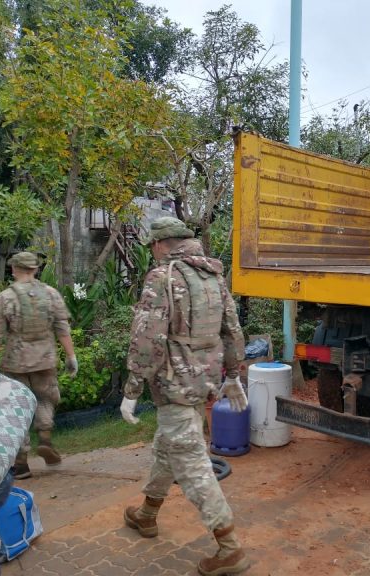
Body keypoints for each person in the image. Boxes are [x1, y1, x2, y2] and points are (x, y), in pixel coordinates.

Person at [120, 216, 249, 576]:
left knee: (191, 464)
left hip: (175, 384)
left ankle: (229, 547)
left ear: (162, 244)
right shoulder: (213, 275)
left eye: (152, 247)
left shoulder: (163, 277)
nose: (152, 253)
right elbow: (232, 329)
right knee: (167, 446)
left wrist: (132, 389)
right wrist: (234, 375)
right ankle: (147, 515)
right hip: (204, 380)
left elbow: (148, 338)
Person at [0, 251, 77, 479]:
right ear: (34, 270)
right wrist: (71, 356)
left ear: (14, 269)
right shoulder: (51, 294)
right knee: (45, 398)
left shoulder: (6, 297)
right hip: (45, 359)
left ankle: (21, 462)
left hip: (15, 362)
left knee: (17, 409)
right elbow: (62, 327)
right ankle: (44, 437)